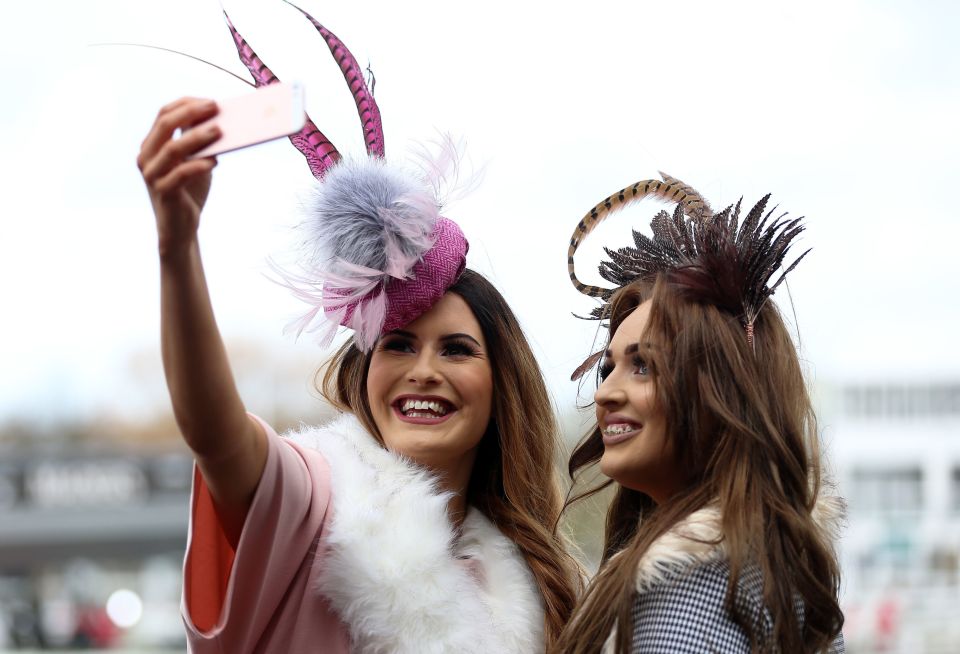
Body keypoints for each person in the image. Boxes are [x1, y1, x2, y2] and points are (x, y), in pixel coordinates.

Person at [136, 6, 577, 652]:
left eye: (456, 349)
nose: (423, 370)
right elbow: (215, 436)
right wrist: (178, 246)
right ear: (365, 371)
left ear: (500, 383)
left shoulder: (539, 587)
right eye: (398, 344)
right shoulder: (315, 499)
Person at [553, 174, 845, 653]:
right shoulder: (762, 565)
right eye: (609, 368)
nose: (606, 394)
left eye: (643, 366)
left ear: (723, 392)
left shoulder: (693, 593)